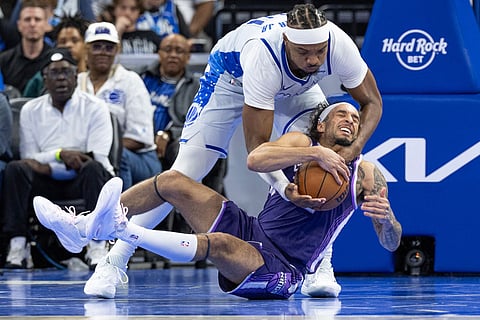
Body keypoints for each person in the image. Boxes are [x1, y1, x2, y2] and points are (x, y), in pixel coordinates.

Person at [62, 3, 382, 298]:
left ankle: (319, 264)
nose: (314, 60)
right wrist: (285, 187)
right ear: (287, 41)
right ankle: (114, 261)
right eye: (303, 52)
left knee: (334, 148)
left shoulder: (338, 45)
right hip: (231, 80)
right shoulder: (263, 56)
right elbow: (256, 151)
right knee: (184, 174)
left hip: (298, 89)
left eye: (318, 52)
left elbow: (373, 103)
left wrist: (350, 150)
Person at [34, 102, 402, 299]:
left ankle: (122, 230)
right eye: (342, 113)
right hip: (253, 230)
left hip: (283, 267)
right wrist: (304, 166)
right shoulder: (301, 145)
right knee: (173, 180)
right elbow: (255, 159)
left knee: (220, 245)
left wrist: (386, 220)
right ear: (320, 125)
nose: (351, 120)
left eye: (356, 117)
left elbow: (392, 242)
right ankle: (83, 227)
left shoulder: (366, 173)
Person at [0, 48, 115, 269]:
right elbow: (29, 158)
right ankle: (18, 245)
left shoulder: (96, 107)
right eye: (54, 73)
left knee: (92, 168)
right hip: (46, 185)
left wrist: (47, 165)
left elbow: (96, 156)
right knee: (16, 169)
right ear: (44, 78)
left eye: (66, 72)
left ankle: (97, 244)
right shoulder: (30, 110)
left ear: (76, 75)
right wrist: (60, 154)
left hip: (84, 180)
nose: (61, 78)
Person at [142, 33, 226, 267]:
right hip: (141, 143)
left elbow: (199, 121)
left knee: (206, 155)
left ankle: (199, 229)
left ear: (188, 57)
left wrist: (167, 134)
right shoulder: (142, 80)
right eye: (168, 49)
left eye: (179, 50)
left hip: (177, 143)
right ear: (159, 54)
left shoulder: (197, 85)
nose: (173, 55)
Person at [78, 21, 160, 191]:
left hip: (140, 159)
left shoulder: (130, 81)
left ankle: (120, 213)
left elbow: (139, 139)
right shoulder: (77, 83)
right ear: (86, 49)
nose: (103, 52)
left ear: (117, 50)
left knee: (116, 153)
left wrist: (99, 148)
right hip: (90, 155)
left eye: (109, 47)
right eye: (97, 46)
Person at [23, 13, 90, 97]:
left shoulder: (94, 76)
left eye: (74, 40)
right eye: (63, 41)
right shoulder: (41, 78)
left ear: (86, 44)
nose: (68, 45)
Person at [0, 0, 52, 94]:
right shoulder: (4, 60)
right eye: (27, 19)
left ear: (46, 25)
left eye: (37, 19)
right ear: (19, 25)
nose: (32, 24)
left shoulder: (54, 59)